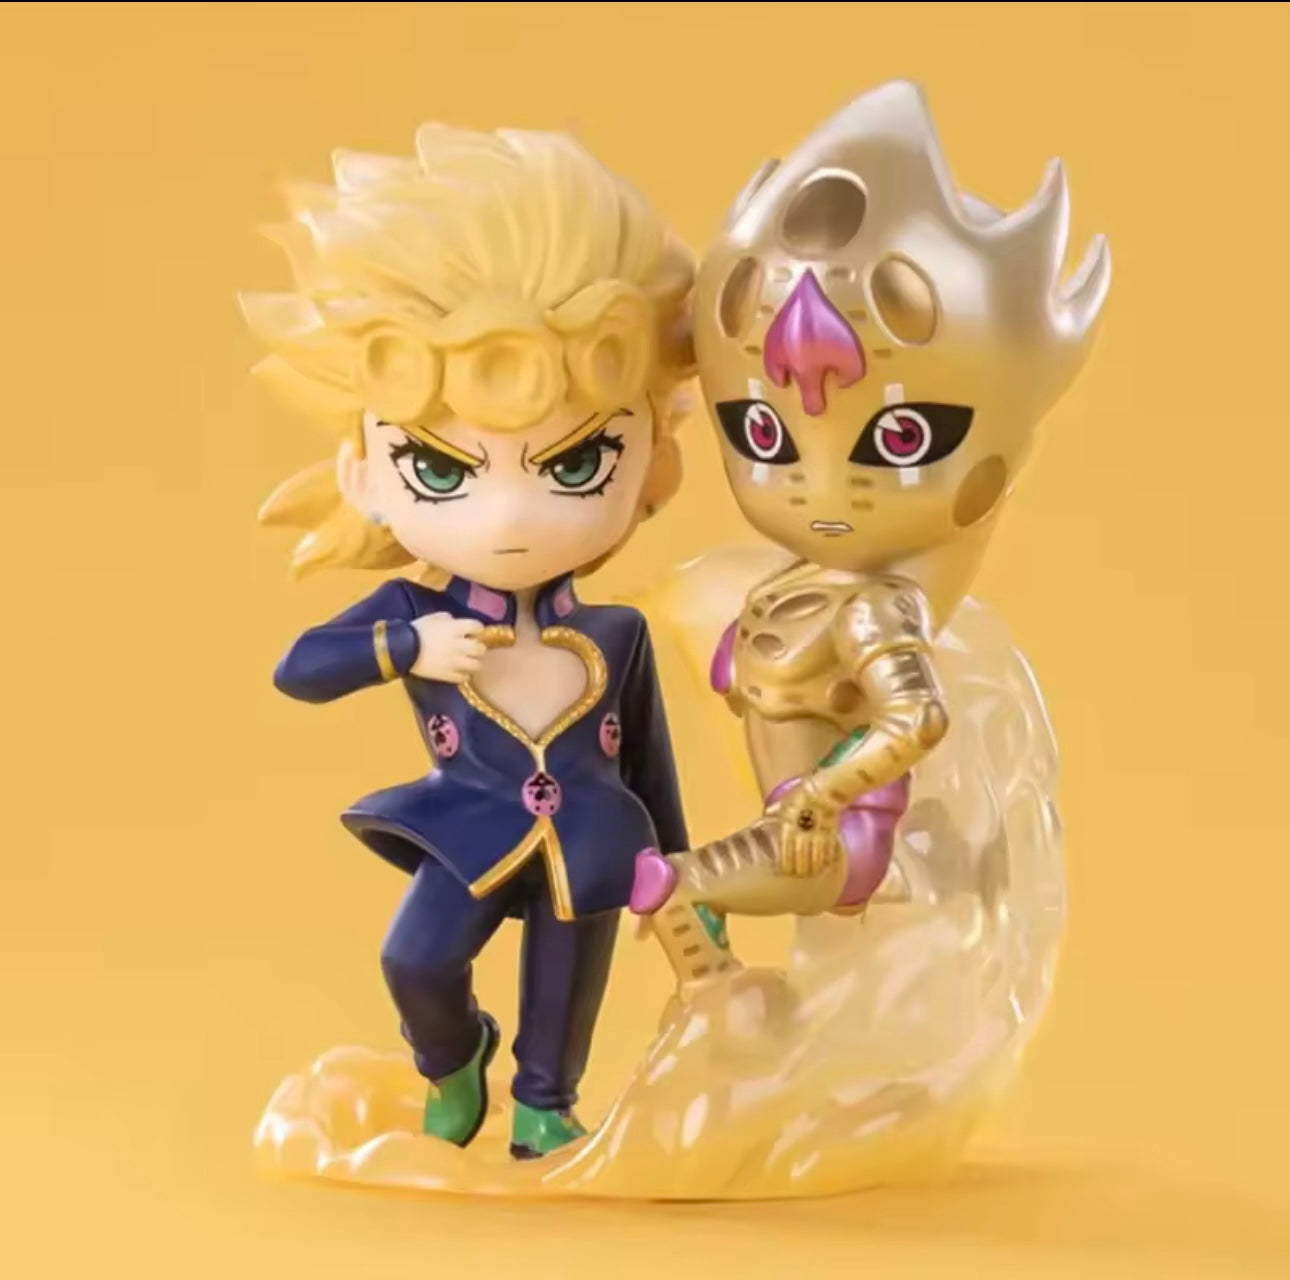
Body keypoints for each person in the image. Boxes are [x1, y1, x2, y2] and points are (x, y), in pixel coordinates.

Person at [242, 124, 696, 1159]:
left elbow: (654, 762)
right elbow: (299, 668)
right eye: (444, 470)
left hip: (593, 839)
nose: (510, 516)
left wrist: (682, 871)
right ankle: (454, 1056)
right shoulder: (413, 609)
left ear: (653, 461)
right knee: (415, 959)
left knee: (565, 989)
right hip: (467, 828)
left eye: (574, 465)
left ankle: (545, 1101)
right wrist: (405, 649)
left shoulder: (617, 633)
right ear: (363, 473)